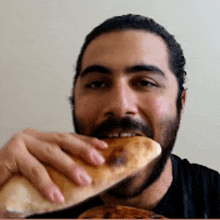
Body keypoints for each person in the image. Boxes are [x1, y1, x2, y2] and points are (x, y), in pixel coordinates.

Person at [0, 14, 219, 218]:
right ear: (74, 100)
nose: (120, 106)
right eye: (97, 83)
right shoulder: (24, 203)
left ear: (180, 103)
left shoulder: (213, 197)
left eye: (145, 83)